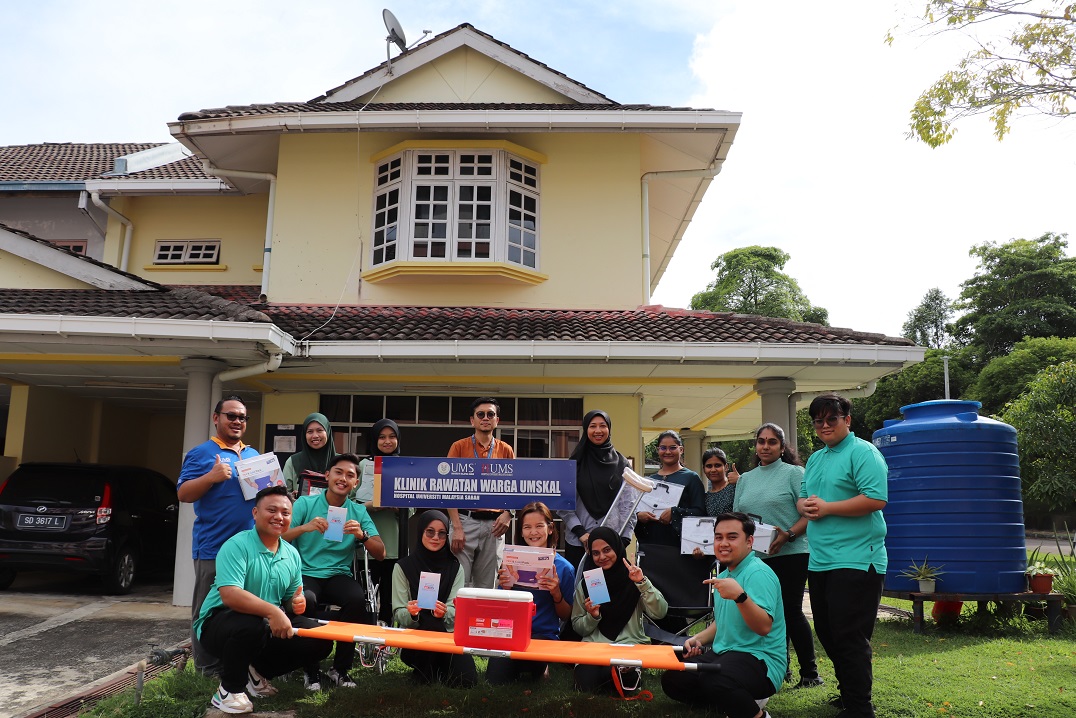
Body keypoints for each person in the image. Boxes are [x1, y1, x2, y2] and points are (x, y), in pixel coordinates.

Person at [194, 486, 332, 714]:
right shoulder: (237, 545)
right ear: (255, 513)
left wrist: (295, 602)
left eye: (286, 513)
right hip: (218, 625)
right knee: (251, 625)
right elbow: (230, 594)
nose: (279, 517)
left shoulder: (291, 553)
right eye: (272, 510)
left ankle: (255, 673)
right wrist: (274, 612)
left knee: (319, 639)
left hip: (262, 626)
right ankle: (228, 690)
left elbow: (290, 597)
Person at [797, 393, 888, 718]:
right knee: (827, 631)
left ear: (846, 420)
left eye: (831, 419)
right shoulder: (817, 458)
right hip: (822, 559)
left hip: (858, 558)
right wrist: (803, 506)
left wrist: (828, 508)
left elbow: (876, 499)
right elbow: (806, 497)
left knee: (849, 634)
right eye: (818, 421)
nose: (824, 426)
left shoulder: (863, 452)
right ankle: (849, 693)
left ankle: (860, 708)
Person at [661, 512, 786, 718]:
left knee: (715, 678)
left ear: (750, 541)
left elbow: (763, 627)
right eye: (719, 537)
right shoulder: (725, 574)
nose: (723, 543)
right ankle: (734, 699)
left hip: (760, 660)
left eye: (732, 537)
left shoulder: (758, 573)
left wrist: (740, 597)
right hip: (726, 654)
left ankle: (758, 713)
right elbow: (723, 622)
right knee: (674, 679)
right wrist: (697, 639)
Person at [284, 453, 385, 690]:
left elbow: (380, 552)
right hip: (306, 571)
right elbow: (278, 538)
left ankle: (340, 669)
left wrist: (362, 535)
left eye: (350, 475)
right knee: (305, 600)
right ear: (327, 476)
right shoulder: (305, 504)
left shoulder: (358, 511)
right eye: (338, 472)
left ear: (356, 483)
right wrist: (305, 527)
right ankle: (311, 670)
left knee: (356, 599)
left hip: (338, 573)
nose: (343, 478)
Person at [177, 395, 261, 676]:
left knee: (245, 608)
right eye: (231, 416)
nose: (237, 421)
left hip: (249, 549)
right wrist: (210, 477)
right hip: (213, 546)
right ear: (216, 418)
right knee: (206, 609)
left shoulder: (253, 455)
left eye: (242, 417)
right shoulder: (201, 453)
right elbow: (183, 494)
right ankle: (207, 668)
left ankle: (237, 662)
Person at [733, 423, 821, 689]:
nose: (765, 446)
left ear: (782, 447)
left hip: (792, 552)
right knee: (764, 613)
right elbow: (740, 519)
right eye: (761, 441)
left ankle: (811, 673)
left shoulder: (795, 473)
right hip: (757, 559)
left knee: (790, 611)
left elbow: (809, 514)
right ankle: (779, 667)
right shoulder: (746, 479)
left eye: (772, 442)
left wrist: (789, 535)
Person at [571, 527, 668, 694]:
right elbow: (578, 627)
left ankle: (624, 674)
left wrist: (642, 583)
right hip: (594, 649)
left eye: (607, 550)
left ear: (617, 547)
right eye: (595, 553)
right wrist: (592, 617)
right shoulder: (590, 582)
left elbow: (660, 612)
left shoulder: (633, 577)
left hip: (628, 648)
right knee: (585, 684)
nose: (602, 557)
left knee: (622, 680)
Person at [487, 501, 575, 685]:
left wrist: (556, 594)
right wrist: (506, 589)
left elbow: (567, 615)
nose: (533, 532)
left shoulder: (564, 568)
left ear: (550, 528)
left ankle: (542, 666)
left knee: (537, 674)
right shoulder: (510, 561)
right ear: (521, 531)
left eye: (539, 526)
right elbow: (498, 610)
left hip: (543, 635)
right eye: (527, 527)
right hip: (510, 633)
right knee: (495, 679)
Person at [392, 510, 477, 687]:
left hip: (447, 635)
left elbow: (456, 610)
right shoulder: (403, 567)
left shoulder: (455, 568)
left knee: (467, 680)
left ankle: (432, 671)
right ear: (421, 531)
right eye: (430, 531)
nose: (435, 537)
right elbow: (398, 611)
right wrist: (412, 614)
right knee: (429, 624)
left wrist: (444, 613)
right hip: (415, 637)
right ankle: (426, 674)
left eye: (442, 533)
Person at [446, 398, 515, 588]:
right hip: (464, 522)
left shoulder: (506, 450)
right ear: (472, 420)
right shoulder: (459, 447)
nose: (485, 418)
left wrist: (508, 515)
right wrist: (457, 526)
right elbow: (447, 489)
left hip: (495, 525)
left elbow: (516, 488)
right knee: (459, 584)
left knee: (488, 586)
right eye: (480, 414)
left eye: (490, 414)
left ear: (497, 420)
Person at [559, 410, 633, 571]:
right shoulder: (574, 463)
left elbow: (629, 506)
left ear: (609, 429)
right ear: (586, 430)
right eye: (592, 426)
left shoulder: (622, 464)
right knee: (580, 590)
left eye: (602, 426)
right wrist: (581, 533)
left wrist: (623, 540)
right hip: (579, 542)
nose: (598, 431)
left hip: (612, 546)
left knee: (612, 592)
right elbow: (564, 503)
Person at [355, 418, 405, 624]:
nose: (387, 441)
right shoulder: (362, 465)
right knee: (366, 595)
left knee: (389, 597)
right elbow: (350, 504)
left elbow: (411, 509)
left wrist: (398, 506)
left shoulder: (404, 465)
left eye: (392, 436)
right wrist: (371, 505)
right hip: (366, 542)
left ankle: (385, 644)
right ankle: (366, 638)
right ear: (374, 440)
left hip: (393, 544)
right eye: (382, 437)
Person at [634, 430, 705, 547]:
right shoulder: (650, 481)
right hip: (651, 545)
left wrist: (674, 513)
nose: (667, 452)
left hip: (679, 547)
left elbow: (700, 512)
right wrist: (639, 516)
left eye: (672, 448)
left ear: (681, 450)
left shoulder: (691, 478)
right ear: (658, 450)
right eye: (663, 448)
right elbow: (636, 510)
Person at [283, 412, 337, 496]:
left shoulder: (340, 462)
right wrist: (291, 498)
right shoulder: (293, 462)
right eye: (310, 431)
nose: (315, 435)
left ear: (328, 432)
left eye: (319, 430)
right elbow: (283, 495)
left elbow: (351, 496)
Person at [702, 447, 739, 518]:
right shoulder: (706, 497)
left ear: (726, 467)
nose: (713, 470)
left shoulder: (735, 487)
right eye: (709, 466)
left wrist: (741, 481)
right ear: (704, 469)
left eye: (717, 465)